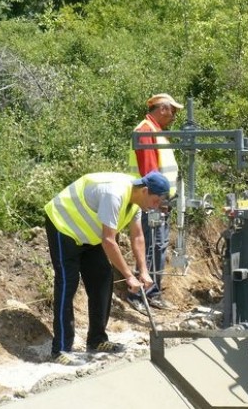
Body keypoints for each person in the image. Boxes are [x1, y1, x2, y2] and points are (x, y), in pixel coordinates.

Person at [44, 171, 170, 366]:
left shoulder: (137, 202)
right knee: (68, 284)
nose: (155, 206)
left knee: (103, 278)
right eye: (155, 201)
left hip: (89, 235)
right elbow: (109, 241)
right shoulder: (114, 194)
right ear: (145, 191)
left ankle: (97, 339)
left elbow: (137, 236)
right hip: (64, 226)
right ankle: (60, 349)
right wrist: (129, 276)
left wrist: (143, 270)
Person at [127, 93, 183, 313]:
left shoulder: (156, 131)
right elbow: (149, 171)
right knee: (151, 247)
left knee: (159, 246)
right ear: (162, 109)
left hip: (160, 200)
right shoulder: (145, 130)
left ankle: (154, 292)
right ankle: (138, 294)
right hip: (151, 201)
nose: (175, 116)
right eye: (173, 111)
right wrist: (156, 201)